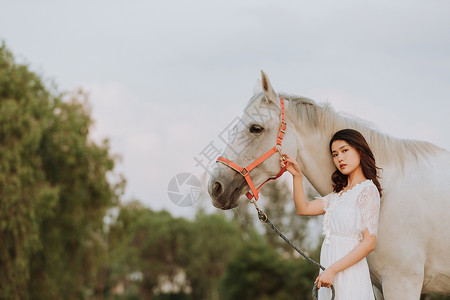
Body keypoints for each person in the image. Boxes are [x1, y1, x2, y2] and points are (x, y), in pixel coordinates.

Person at [280, 128, 382, 300]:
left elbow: (370, 242)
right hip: (329, 270)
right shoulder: (337, 196)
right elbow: (303, 208)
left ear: (359, 150)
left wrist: (333, 270)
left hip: (348, 273)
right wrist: (297, 176)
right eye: (335, 154)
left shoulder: (367, 191)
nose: (339, 158)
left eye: (344, 150)